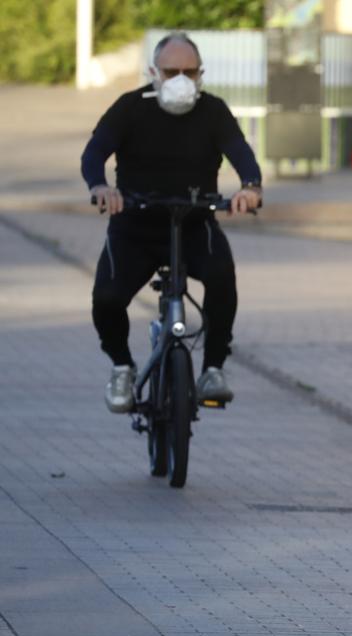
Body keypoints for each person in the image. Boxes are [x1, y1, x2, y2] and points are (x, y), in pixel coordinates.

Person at [83, 32, 262, 414]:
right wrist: (100, 187)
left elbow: (240, 152)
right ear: (153, 72)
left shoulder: (213, 110)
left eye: (189, 71)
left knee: (222, 278)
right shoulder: (131, 107)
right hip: (135, 225)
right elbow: (95, 150)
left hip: (194, 222)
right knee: (107, 298)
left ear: (201, 74)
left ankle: (213, 369)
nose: (180, 79)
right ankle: (121, 366)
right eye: (170, 71)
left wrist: (250, 187)